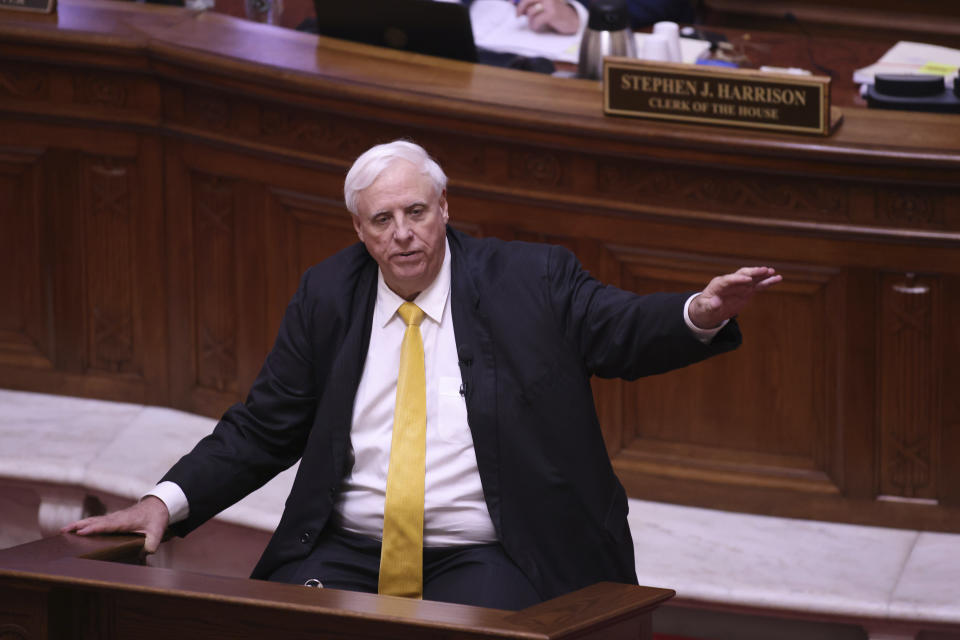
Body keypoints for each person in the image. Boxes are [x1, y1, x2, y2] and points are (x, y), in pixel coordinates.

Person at [64, 140, 780, 610]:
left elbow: (619, 331)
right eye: (382, 220)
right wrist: (167, 500)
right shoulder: (327, 295)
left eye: (415, 212)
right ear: (359, 231)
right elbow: (263, 425)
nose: (402, 233)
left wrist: (699, 310)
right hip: (345, 549)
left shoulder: (530, 279)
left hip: (487, 549)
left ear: (445, 210)